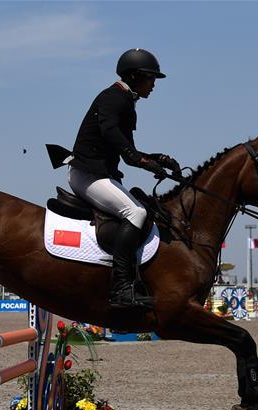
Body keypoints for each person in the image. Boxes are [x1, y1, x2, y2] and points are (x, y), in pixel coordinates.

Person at [67, 48, 181, 310]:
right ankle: (121, 288)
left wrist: (157, 158)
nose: (153, 85)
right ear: (133, 76)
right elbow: (114, 138)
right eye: (149, 78)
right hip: (87, 174)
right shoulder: (113, 98)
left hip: (96, 173)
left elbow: (128, 148)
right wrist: (143, 161)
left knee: (139, 209)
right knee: (136, 212)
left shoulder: (125, 100)